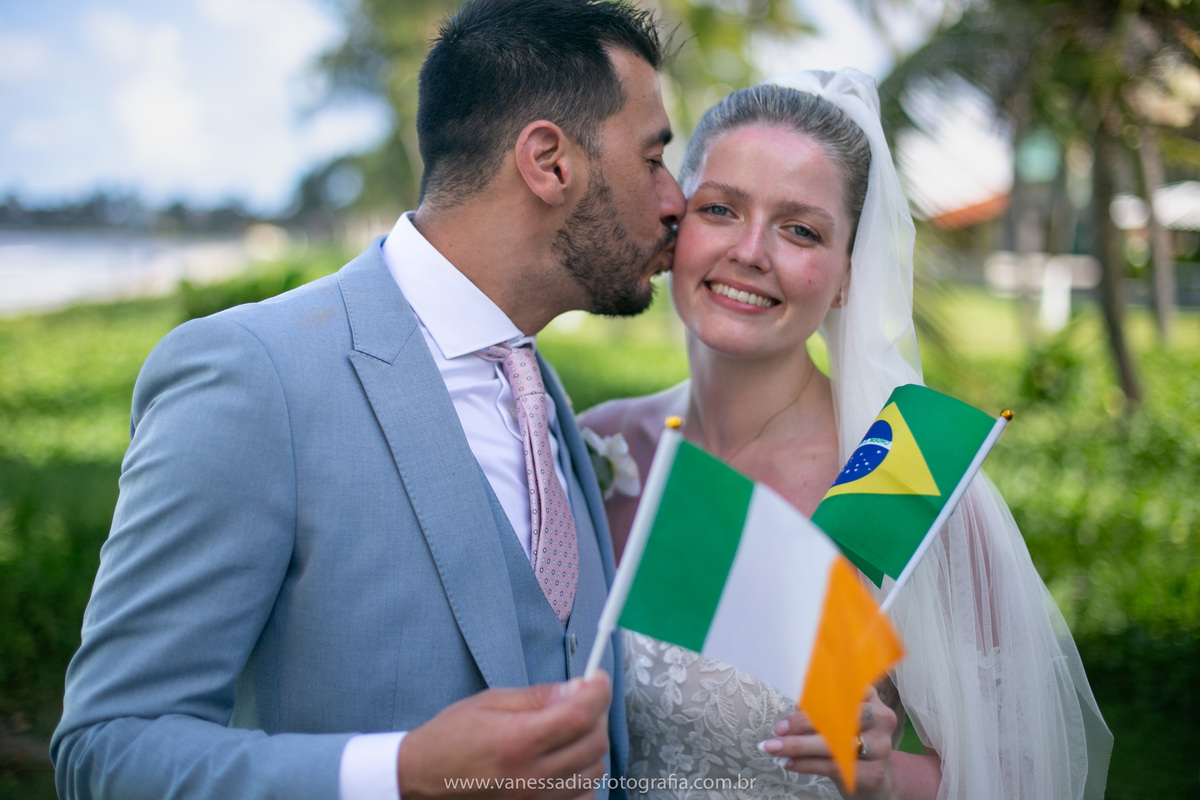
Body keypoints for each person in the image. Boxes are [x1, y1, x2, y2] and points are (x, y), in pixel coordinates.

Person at [50, 1, 685, 798]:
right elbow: (108, 749)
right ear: (550, 162)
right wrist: (398, 772)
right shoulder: (254, 377)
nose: (676, 200)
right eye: (653, 158)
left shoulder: (543, 395)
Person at [581, 69, 1112, 799]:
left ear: (846, 278)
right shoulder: (601, 448)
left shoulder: (899, 478)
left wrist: (883, 775)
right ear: (675, 222)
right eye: (721, 209)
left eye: (800, 229)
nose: (751, 251)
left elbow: (1023, 772)